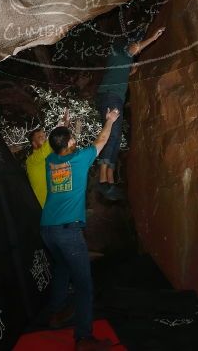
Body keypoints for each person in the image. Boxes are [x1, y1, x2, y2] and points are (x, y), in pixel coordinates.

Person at [40, 107, 120, 351]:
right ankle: (83, 338)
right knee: (85, 286)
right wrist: (110, 120)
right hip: (67, 232)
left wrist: (67, 127)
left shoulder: (50, 160)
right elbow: (102, 140)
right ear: (71, 143)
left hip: (47, 230)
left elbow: (64, 142)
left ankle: (56, 313)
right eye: (73, 138)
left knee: (62, 268)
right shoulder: (79, 158)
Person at [95, 26, 165, 200]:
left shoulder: (120, 58)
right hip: (111, 96)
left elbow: (127, 70)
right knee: (112, 135)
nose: (135, 48)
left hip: (113, 96)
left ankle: (110, 179)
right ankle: (103, 179)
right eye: (133, 44)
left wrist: (133, 69)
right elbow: (135, 48)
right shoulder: (121, 49)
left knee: (117, 136)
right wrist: (153, 38)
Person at [25, 109, 71, 208]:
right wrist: (62, 123)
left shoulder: (51, 155)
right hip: (44, 208)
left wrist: (65, 124)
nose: (44, 138)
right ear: (34, 143)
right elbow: (52, 142)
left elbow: (57, 141)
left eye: (44, 136)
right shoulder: (32, 160)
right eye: (40, 137)